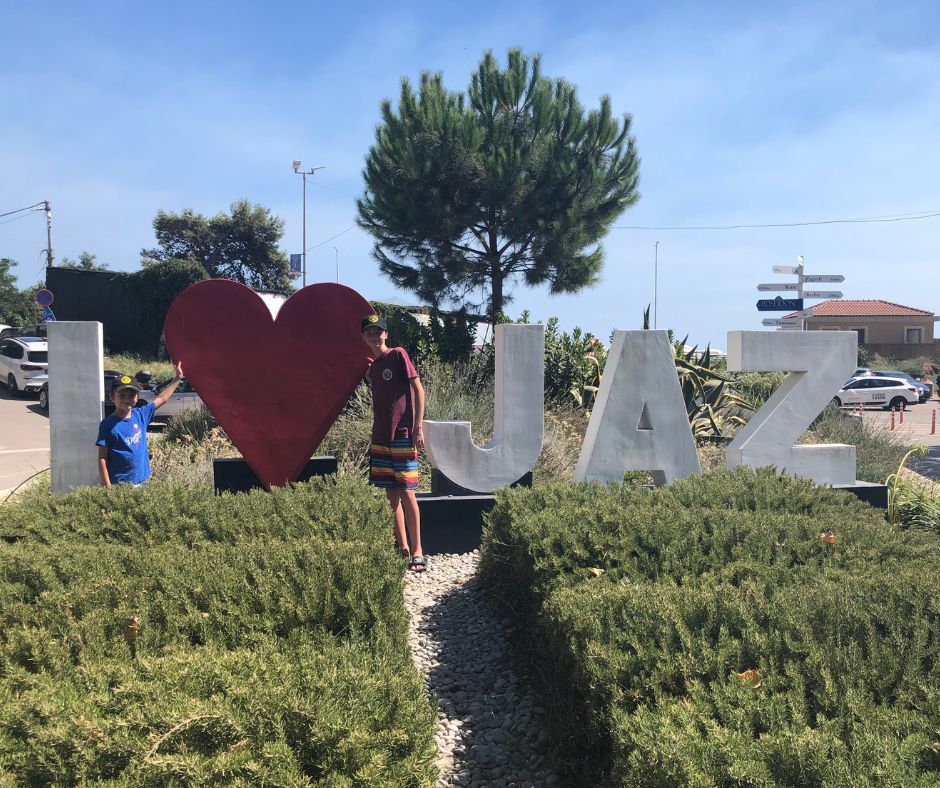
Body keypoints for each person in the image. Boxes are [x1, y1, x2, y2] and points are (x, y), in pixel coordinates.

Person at [361, 314, 427, 572]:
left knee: (408, 493)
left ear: (386, 334)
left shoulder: (399, 355)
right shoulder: (373, 369)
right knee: (391, 496)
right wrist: (370, 372)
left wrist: (417, 427)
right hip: (380, 437)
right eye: (369, 333)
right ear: (363, 338)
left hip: (402, 435)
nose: (375, 336)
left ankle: (418, 550)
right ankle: (402, 548)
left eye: (379, 332)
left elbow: (418, 390)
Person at [96, 361, 184, 487]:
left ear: (137, 397)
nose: (127, 399)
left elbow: (162, 399)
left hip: (143, 482)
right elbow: (102, 459)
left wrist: (177, 378)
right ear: (112, 397)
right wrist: (108, 488)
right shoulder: (107, 424)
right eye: (121, 395)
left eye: (132, 395)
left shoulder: (141, 415)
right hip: (120, 486)